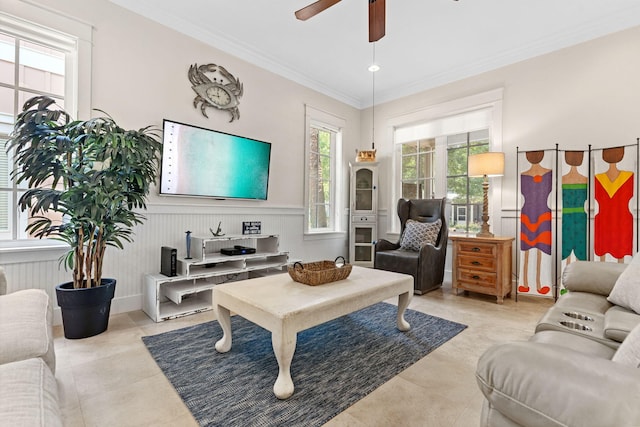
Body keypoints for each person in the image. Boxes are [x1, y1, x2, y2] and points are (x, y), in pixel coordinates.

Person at [520, 151, 552, 294]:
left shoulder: (548, 173)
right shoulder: (524, 175)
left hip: (539, 213)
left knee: (538, 248)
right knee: (528, 249)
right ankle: (528, 283)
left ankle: (536, 283)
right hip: (529, 213)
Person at [594, 146, 633, 263]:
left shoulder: (598, 178)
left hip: (604, 218)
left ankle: (601, 279)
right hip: (623, 218)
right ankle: (619, 279)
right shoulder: (629, 176)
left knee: (604, 254)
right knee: (619, 251)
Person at [561, 151, 588, 264]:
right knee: (580, 248)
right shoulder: (584, 179)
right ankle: (579, 278)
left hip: (566, 217)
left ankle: (565, 279)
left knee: (567, 245)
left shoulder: (563, 179)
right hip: (581, 217)